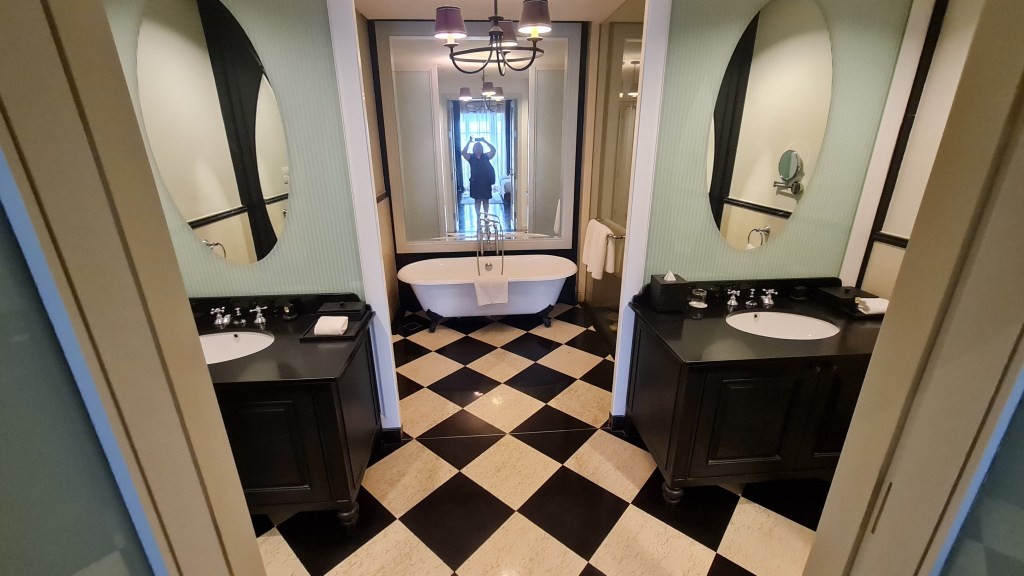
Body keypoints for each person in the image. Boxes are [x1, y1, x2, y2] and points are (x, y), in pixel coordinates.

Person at [462, 137, 497, 215]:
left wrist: (485, 141)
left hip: (486, 181)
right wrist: (469, 142)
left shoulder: (486, 156)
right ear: (473, 149)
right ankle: (478, 217)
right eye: (476, 147)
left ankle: (486, 216)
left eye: (479, 147)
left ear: (482, 149)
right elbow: (464, 153)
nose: (478, 149)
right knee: (477, 200)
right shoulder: (471, 157)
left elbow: (493, 151)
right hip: (475, 182)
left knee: (486, 200)